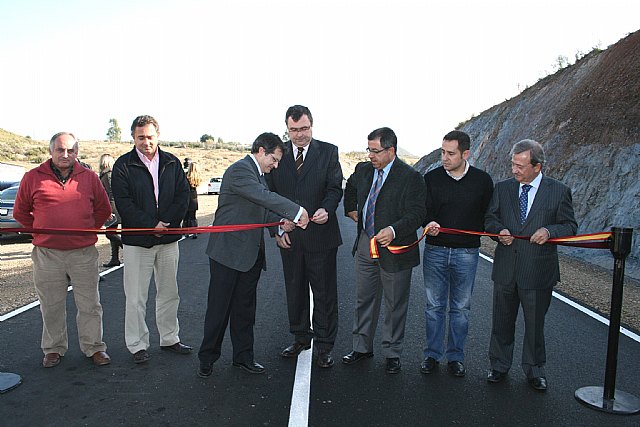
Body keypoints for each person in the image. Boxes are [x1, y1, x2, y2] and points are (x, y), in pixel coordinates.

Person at [197, 132, 310, 378]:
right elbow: (263, 198)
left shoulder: (258, 175)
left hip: (250, 256)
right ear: (261, 151)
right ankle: (207, 358)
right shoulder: (240, 171)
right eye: (274, 159)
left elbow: (261, 209)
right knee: (219, 310)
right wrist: (297, 211)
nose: (276, 165)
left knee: (245, 310)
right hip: (227, 254)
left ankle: (243, 357)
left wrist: (279, 224)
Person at [484, 139, 577, 392]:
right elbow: (490, 218)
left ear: (537, 166)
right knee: (501, 322)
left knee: (535, 325)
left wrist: (549, 230)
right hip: (505, 270)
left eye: (520, 166)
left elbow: (570, 226)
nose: (514, 170)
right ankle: (499, 366)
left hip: (537, 272)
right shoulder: (502, 189)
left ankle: (535, 370)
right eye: (513, 164)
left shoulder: (558, 191)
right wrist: (498, 231)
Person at [13, 132, 112, 368]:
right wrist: (39, 232)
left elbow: (103, 209)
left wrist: (87, 230)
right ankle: (53, 348)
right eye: (60, 150)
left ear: (77, 153)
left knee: (90, 304)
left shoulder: (89, 178)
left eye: (70, 150)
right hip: (48, 254)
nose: (65, 155)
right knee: (51, 304)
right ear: (51, 151)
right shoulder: (32, 177)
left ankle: (94, 347)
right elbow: (20, 212)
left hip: (83, 253)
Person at [342, 127, 426, 374]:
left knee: (394, 303)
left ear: (391, 150)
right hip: (366, 246)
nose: (370, 155)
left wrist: (394, 229)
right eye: (368, 149)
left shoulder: (411, 177)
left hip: (395, 249)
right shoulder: (364, 170)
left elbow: (417, 213)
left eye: (375, 151)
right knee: (363, 299)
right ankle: (361, 347)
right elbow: (350, 189)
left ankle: (392, 352)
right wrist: (350, 209)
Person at [111, 115, 192, 364]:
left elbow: (183, 195)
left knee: (169, 292)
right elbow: (124, 203)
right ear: (133, 137)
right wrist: (150, 225)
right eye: (140, 137)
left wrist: (166, 223)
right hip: (138, 242)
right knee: (136, 296)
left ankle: (170, 338)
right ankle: (137, 345)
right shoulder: (123, 165)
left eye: (150, 136)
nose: (146, 141)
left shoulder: (172, 162)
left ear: (158, 135)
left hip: (168, 240)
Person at [267, 105, 343, 368]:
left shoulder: (329, 152)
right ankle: (300, 337)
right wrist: (276, 228)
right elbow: (268, 194)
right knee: (295, 290)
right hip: (289, 238)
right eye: (293, 130)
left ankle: (324, 346)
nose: (299, 135)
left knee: (324, 294)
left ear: (312, 125)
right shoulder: (279, 154)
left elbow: (335, 188)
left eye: (304, 129)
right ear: (286, 129)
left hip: (321, 236)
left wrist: (327, 208)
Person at [420, 131, 494, 377]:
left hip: (467, 253)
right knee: (434, 306)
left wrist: (494, 231)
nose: (444, 158)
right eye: (442, 152)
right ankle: (432, 354)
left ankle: (455, 357)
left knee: (461, 308)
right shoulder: (431, 179)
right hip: (435, 251)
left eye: (450, 153)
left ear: (465, 154)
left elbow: (488, 215)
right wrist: (428, 222)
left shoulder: (482, 181)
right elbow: (424, 210)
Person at [99, 154, 123, 267]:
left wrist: (109, 209)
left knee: (110, 233)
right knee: (112, 233)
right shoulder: (108, 174)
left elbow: (111, 193)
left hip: (112, 208)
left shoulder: (108, 175)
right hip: (113, 207)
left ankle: (127, 250)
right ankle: (115, 258)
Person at [182, 162, 202, 239]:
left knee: (186, 216)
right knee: (193, 216)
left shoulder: (186, 175)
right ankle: (195, 232)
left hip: (186, 196)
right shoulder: (197, 176)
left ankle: (186, 232)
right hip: (194, 197)